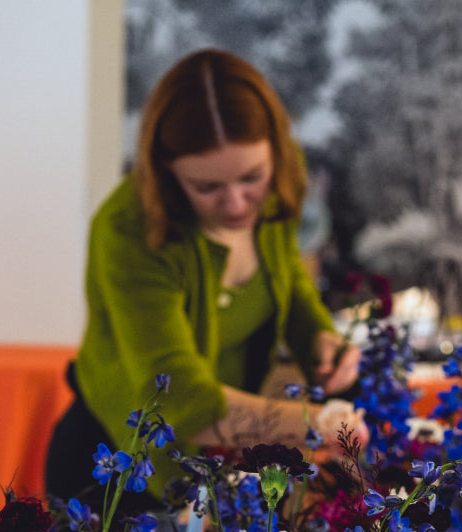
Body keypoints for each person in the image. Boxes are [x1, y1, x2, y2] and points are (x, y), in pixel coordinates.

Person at [45, 48, 365, 503]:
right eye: (208, 187)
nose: (237, 203)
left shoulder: (274, 179)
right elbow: (181, 401)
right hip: (116, 470)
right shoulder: (127, 231)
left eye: (251, 178)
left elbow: (286, 278)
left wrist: (317, 334)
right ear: (166, 172)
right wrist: (317, 423)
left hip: (215, 463)